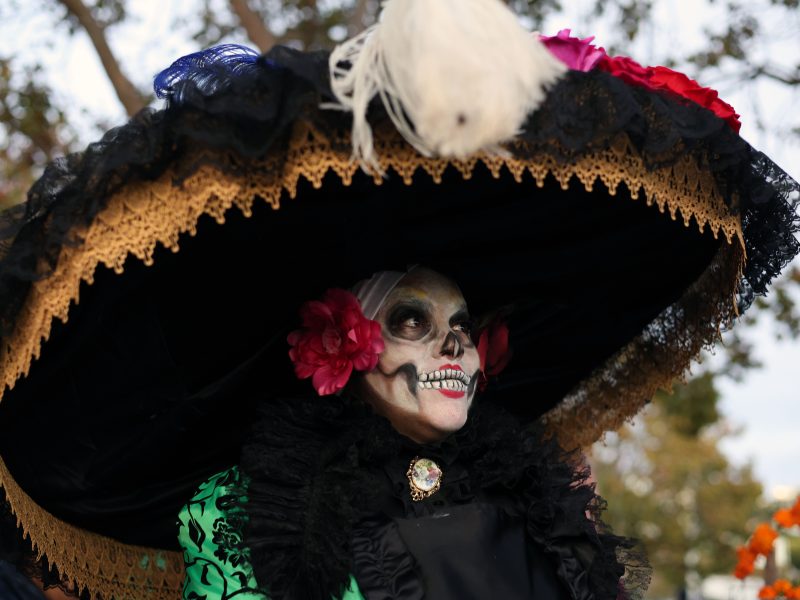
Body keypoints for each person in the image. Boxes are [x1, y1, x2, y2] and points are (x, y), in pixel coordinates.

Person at [178, 266, 648, 600]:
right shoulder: (260, 505)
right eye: (412, 321)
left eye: (462, 326)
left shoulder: (534, 494)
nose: (454, 344)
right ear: (348, 348)